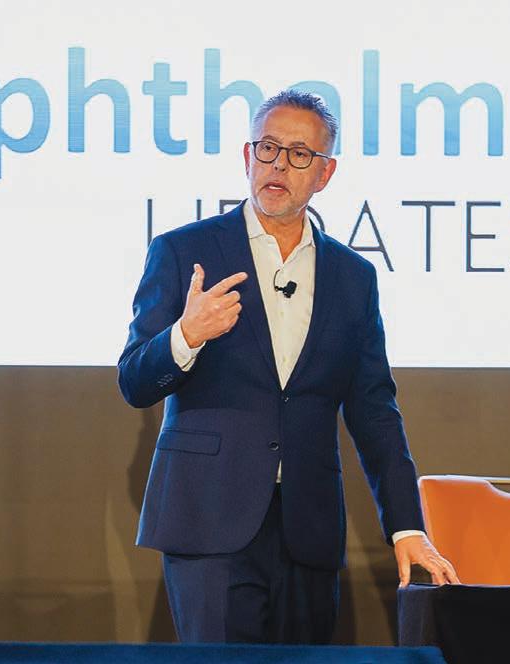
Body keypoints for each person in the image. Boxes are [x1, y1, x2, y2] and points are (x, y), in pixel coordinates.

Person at [117, 89, 458, 645]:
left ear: (325, 173)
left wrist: (406, 526)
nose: (278, 165)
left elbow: (375, 411)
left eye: (299, 154)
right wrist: (186, 335)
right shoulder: (183, 252)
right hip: (209, 523)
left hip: (308, 529)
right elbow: (134, 380)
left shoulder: (353, 277)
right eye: (268, 148)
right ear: (247, 157)